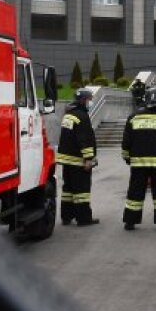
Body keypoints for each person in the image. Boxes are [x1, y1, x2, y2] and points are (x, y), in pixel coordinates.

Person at [120, 90, 156, 231]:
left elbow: (126, 141)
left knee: (135, 192)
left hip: (138, 163)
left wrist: (127, 157)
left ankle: (130, 221)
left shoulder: (133, 118)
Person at [56, 88, 100, 226]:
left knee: (68, 189)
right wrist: (88, 159)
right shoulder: (82, 116)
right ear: (84, 100)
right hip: (78, 160)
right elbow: (84, 139)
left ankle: (66, 216)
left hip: (67, 160)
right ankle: (83, 218)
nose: (90, 102)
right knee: (81, 191)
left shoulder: (69, 115)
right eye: (89, 99)